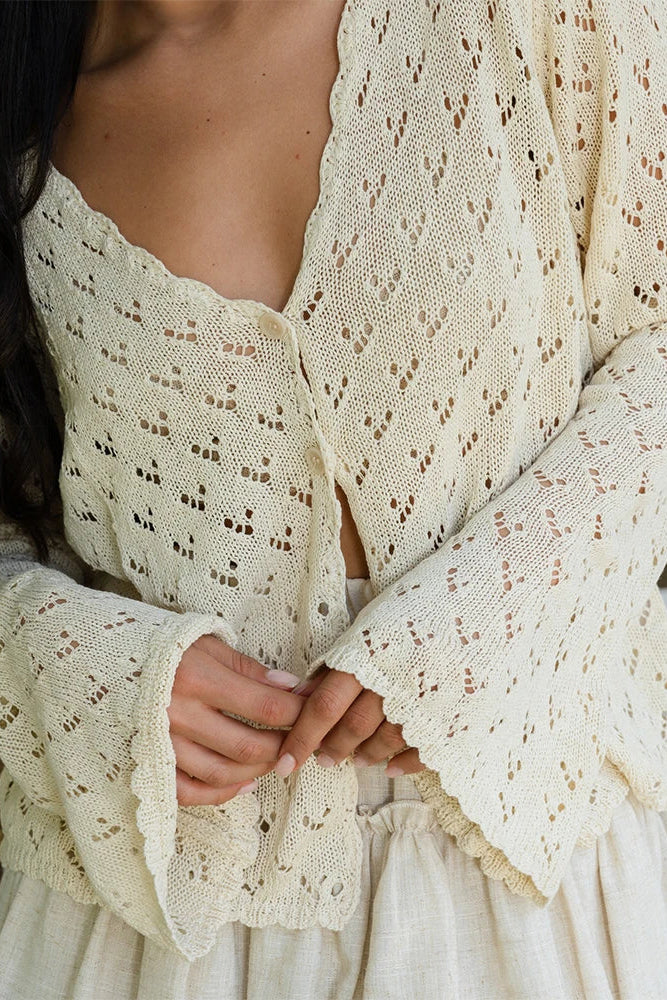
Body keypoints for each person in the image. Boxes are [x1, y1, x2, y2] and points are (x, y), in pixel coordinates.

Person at [0, 0, 666, 996]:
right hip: (153, 921)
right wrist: (84, 668)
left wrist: (485, 620)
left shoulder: (534, 18)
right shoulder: (25, 123)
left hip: (542, 870)